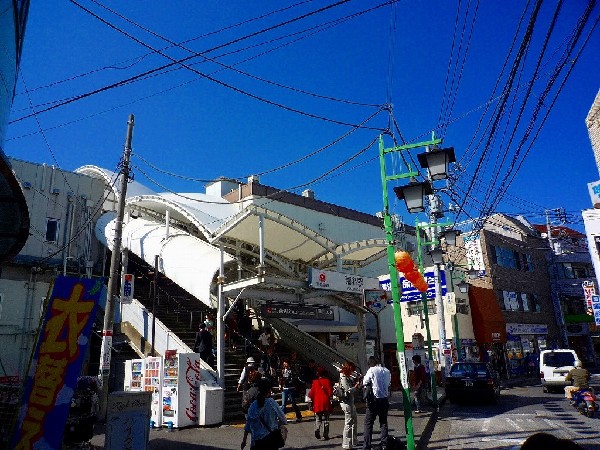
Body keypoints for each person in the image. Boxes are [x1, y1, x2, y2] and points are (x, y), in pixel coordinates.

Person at [241, 379, 288, 450]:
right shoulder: (272, 403)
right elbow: (283, 420)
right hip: (271, 441)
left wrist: (244, 441)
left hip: (257, 442)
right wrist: (275, 424)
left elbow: (248, 426)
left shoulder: (253, 406)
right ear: (269, 390)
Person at [361, 356, 391, 450]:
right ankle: (384, 444)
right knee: (383, 422)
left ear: (370, 363)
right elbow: (389, 384)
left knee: (368, 423)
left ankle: (367, 445)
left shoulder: (372, 370)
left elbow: (365, 382)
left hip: (374, 400)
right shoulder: (386, 371)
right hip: (384, 399)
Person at [339, 361, 360, 450]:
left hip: (351, 402)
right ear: (348, 369)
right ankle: (346, 443)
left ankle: (354, 440)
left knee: (354, 421)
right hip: (346, 403)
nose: (352, 372)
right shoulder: (343, 377)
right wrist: (356, 386)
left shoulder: (347, 376)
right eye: (351, 370)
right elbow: (348, 390)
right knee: (348, 423)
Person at [308, 367, 333, 441]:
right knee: (326, 419)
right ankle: (325, 434)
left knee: (318, 419)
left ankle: (317, 429)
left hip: (318, 403)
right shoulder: (327, 381)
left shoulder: (315, 382)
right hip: (326, 403)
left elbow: (311, 394)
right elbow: (330, 393)